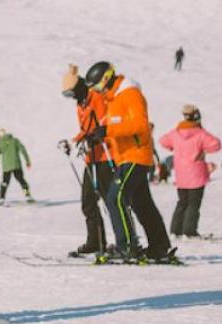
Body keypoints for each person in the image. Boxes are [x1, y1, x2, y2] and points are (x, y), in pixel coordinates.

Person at [84, 61, 174, 262]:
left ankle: (127, 246)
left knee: (115, 198)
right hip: (125, 157)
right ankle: (159, 246)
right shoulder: (113, 100)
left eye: (97, 87)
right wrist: (98, 135)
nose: (97, 91)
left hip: (137, 155)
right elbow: (115, 126)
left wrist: (108, 131)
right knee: (142, 204)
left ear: (107, 78)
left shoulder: (130, 94)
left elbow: (140, 125)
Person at [61, 64, 113, 254]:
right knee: (88, 202)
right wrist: (73, 142)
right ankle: (96, 242)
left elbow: (105, 122)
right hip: (91, 158)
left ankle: (126, 242)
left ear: (79, 87)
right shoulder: (81, 104)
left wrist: (96, 136)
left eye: (70, 93)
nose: (71, 98)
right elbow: (86, 130)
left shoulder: (95, 97)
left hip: (106, 156)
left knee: (111, 202)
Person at [159, 105, 221, 238]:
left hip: (181, 175)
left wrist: (173, 147)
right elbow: (216, 144)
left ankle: (175, 229)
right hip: (197, 174)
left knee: (182, 202)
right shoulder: (200, 133)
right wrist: (204, 149)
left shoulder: (176, 133)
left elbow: (163, 141)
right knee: (193, 203)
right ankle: (189, 230)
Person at [0, 128, 33, 205]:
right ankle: (28, 196)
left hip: (6, 167)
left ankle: (1, 198)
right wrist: (27, 161)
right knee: (22, 181)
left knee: (4, 182)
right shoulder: (15, 141)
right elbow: (23, 150)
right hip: (17, 165)